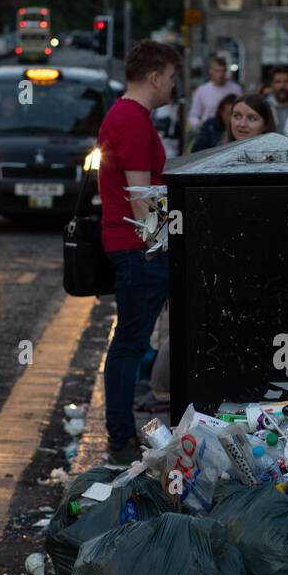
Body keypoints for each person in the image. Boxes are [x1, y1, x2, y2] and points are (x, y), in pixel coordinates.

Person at [98, 40, 181, 466]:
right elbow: (140, 200)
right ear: (154, 77)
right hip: (137, 249)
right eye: (170, 77)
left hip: (134, 247)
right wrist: (167, 242)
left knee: (129, 343)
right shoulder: (131, 119)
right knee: (129, 345)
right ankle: (119, 437)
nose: (172, 86)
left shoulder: (129, 115)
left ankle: (121, 433)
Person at [188, 54, 242, 133]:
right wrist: (201, 125)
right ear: (211, 71)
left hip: (230, 130)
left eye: (223, 71)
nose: (221, 75)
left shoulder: (236, 89)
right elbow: (193, 116)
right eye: (217, 71)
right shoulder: (202, 90)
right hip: (209, 131)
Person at [265, 65, 288, 133]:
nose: (282, 86)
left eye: (286, 81)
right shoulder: (264, 106)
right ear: (271, 84)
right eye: (277, 82)